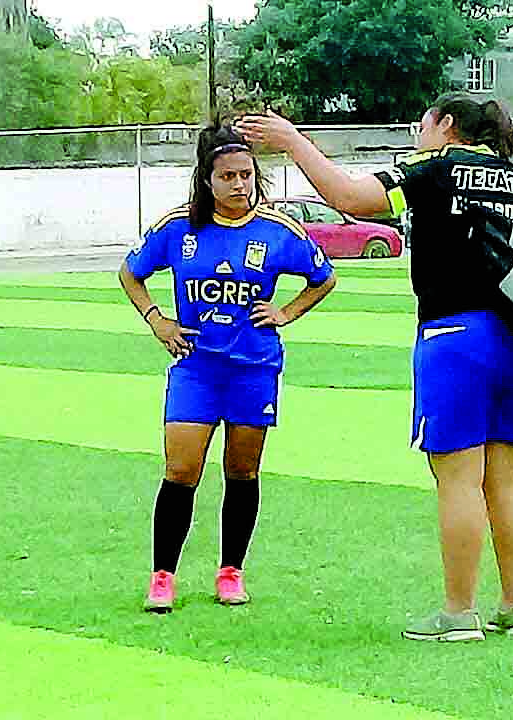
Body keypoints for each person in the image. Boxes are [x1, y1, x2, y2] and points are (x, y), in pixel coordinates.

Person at [237, 94, 513, 642]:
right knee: (507, 478)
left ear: (446, 125)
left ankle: (457, 613)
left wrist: (291, 142)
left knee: (457, 478)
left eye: (422, 122)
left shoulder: (437, 168)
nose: (418, 133)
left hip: (457, 335)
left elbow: (353, 199)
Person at [119, 121, 337, 613]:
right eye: (228, 177)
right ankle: (162, 577)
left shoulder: (279, 231)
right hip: (196, 368)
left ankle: (230, 571)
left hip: (254, 367)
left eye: (246, 176)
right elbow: (130, 273)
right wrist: (158, 320)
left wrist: (286, 312)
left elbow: (323, 278)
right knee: (181, 469)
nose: (240, 186)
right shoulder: (177, 227)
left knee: (242, 471)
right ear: (207, 181)